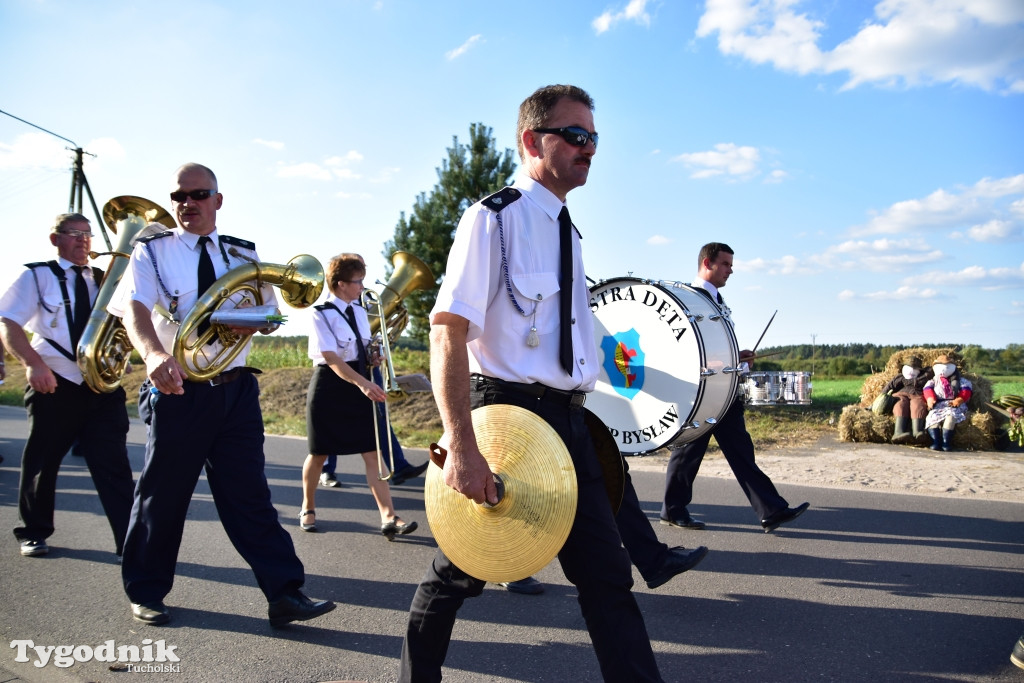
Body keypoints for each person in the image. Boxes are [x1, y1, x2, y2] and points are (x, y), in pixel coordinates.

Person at [400, 85, 665, 682]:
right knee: (458, 573)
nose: (588, 148)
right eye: (575, 135)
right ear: (531, 141)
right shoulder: (492, 220)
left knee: (607, 579)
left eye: (594, 137)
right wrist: (460, 446)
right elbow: (447, 334)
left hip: (570, 423)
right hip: (509, 418)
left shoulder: (568, 230)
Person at [107, 163, 333, 627]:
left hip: (236, 390)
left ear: (218, 200)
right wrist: (152, 355)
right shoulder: (153, 249)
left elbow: (272, 314)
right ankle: (146, 591)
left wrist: (243, 321)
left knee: (251, 497)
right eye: (179, 196)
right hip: (178, 390)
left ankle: (285, 593)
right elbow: (133, 309)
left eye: (198, 194)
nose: (187, 203)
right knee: (163, 497)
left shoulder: (242, 254)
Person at [0, 213, 135, 558]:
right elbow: (9, 323)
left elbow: (127, 324)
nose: (83, 241)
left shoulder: (107, 279)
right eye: (74, 234)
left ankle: (131, 541)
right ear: (55, 239)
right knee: (42, 462)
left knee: (114, 466)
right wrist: (33, 364)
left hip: (101, 388)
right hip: (54, 381)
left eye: (88, 235)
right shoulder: (36, 275)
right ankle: (33, 532)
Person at [660, 242, 809, 533]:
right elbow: (689, 347)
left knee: (740, 451)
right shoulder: (692, 299)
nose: (731, 269)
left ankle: (771, 510)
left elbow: (714, 346)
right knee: (688, 452)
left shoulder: (715, 300)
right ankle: (672, 510)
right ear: (707, 263)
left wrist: (737, 358)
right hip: (702, 393)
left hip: (722, 391)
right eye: (726, 264)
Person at [300, 253, 418, 539]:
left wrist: (374, 358)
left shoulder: (362, 312)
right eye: (358, 281)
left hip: (360, 380)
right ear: (340, 284)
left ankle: (390, 517)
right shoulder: (321, 313)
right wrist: (363, 383)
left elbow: (361, 350)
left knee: (372, 452)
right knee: (319, 453)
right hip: (331, 386)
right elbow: (331, 358)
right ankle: (308, 505)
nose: (363, 287)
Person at [923, 354, 973, 452]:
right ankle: (936, 441)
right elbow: (927, 389)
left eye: (946, 367)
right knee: (932, 418)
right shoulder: (934, 381)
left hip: (954, 405)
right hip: (938, 405)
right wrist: (930, 399)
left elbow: (966, 391)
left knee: (951, 417)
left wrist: (959, 399)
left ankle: (946, 442)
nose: (943, 370)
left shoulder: (960, 381)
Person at [880, 355, 934, 444]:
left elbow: (932, 370)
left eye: (915, 368)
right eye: (908, 367)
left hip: (917, 395)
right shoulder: (900, 377)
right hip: (902, 394)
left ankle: (917, 432)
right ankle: (898, 432)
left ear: (919, 370)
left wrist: (926, 370)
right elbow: (889, 387)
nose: (911, 371)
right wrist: (878, 401)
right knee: (900, 404)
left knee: (918, 405)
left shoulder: (924, 376)